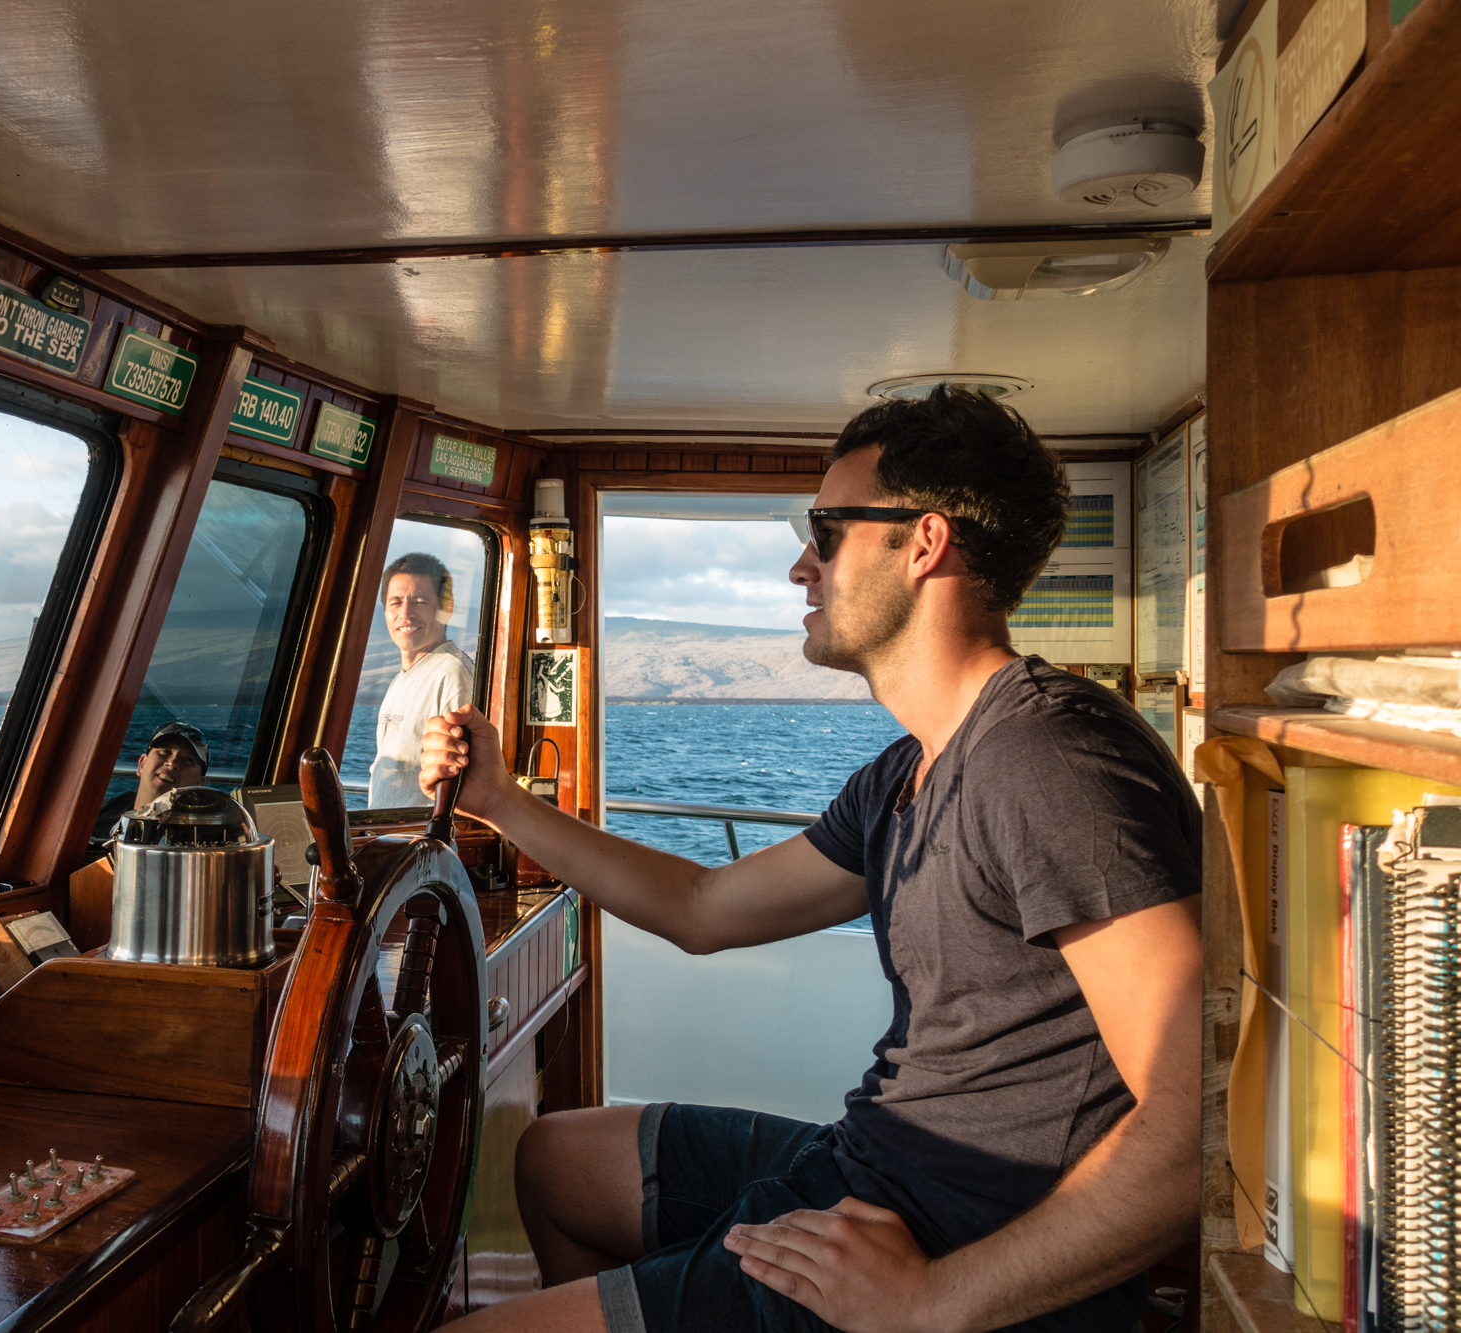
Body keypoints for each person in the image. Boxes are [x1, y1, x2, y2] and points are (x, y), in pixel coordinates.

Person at [420, 387, 1202, 1333]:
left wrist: (932, 1302)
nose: (801, 565)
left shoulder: (1050, 761)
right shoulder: (912, 769)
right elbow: (704, 906)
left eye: (825, 532)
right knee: (554, 1162)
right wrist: (502, 801)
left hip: (951, 1241)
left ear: (923, 543)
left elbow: (1193, 1122)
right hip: (875, 1161)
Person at [368, 552, 474, 808]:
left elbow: (462, 779)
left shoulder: (452, 672)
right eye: (395, 602)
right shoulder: (399, 680)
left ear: (445, 609)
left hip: (419, 833)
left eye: (420, 602)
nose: (405, 613)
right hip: (386, 830)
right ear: (385, 611)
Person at [132, 721, 210, 808]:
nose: (172, 763)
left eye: (187, 759)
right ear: (142, 764)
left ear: (199, 784)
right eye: (165, 751)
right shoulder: (119, 804)